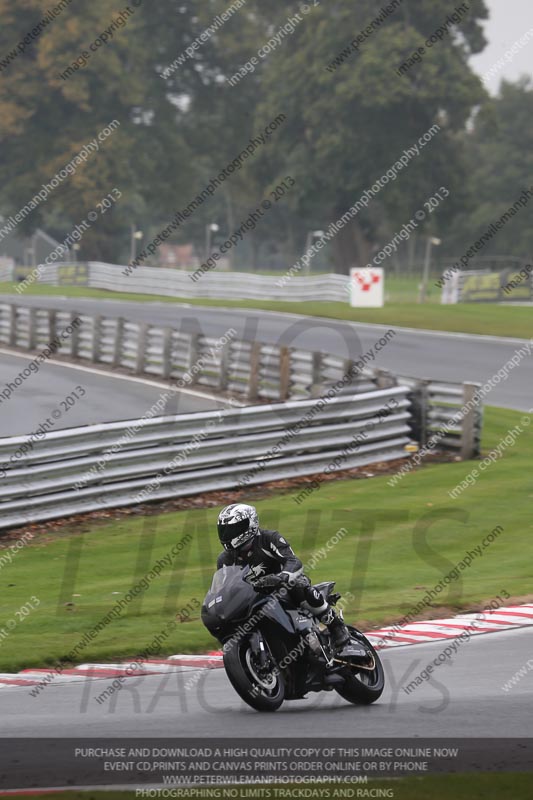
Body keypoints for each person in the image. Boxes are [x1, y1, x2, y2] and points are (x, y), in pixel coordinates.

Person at [216, 502, 350, 649]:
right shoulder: (224, 560)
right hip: (254, 600)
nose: (227, 535)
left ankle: (336, 626)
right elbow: (224, 588)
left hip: (284, 587)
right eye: (224, 530)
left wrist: (282, 577)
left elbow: (293, 560)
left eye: (233, 529)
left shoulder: (269, 538)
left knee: (300, 586)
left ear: (250, 524)